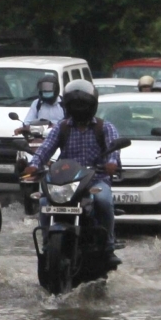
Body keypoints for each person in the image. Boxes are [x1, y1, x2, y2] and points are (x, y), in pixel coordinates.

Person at [26, 79, 121, 254]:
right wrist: (34, 165)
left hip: (95, 182)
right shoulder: (61, 128)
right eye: (75, 105)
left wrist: (111, 163)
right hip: (65, 183)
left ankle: (109, 243)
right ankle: (47, 243)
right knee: (45, 201)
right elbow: (45, 148)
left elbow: (113, 150)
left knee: (104, 201)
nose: (79, 109)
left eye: (82, 105)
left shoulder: (104, 127)